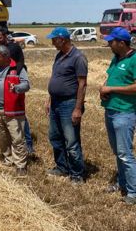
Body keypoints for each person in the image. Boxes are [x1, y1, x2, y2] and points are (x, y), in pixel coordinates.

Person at [45, 27, 87, 185]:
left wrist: (78, 108)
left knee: (71, 140)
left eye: (54, 39)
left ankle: (77, 174)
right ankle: (62, 167)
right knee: (55, 136)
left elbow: (82, 85)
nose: (52, 42)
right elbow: (55, 78)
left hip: (69, 104)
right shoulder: (59, 55)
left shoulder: (78, 57)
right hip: (55, 102)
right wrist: (49, 99)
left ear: (62, 39)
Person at [99, 27, 136, 204]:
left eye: (111, 41)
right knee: (118, 152)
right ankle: (122, 184)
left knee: (125, 154)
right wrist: (103, 87)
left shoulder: (134, 60)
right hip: (111, 110)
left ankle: (133, 192)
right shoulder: (116, 58)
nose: (108, 44)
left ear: (121, 43)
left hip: (124, 113)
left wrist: (111, 89)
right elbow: (109, 77)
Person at [0, 45, 30, 176]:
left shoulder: (18, 68)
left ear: (6, 57)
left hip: (13, 110)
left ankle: (20, 165)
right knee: (2, 137)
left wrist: (17, 87)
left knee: (17, 138)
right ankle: (8, 159)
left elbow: (26, 84)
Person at [0, 28, 34, 154]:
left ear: (5, 36)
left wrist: (14, 77)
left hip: (13, 85)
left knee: (18, 119)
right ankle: (8, 154)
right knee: (2, 126)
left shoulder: (14, 48)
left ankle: (28, 145)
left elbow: (21, 62)